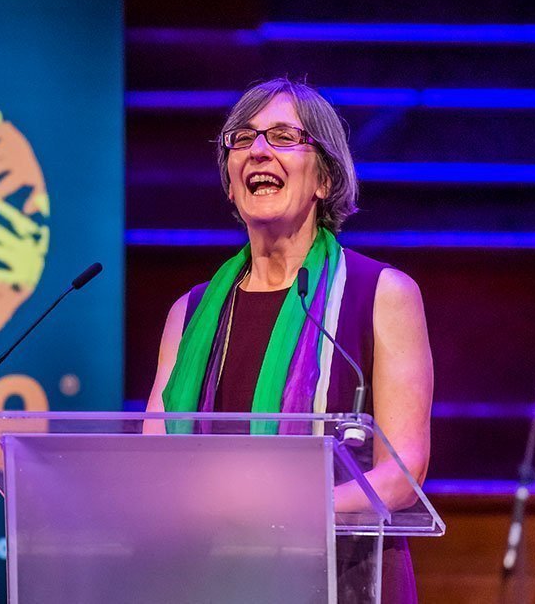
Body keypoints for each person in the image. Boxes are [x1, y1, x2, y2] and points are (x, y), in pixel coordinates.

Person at [145, 77, 433, 603]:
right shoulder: (187, 314)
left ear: (325, 178)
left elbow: (402, 473)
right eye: (243, 138)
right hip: (215, 580)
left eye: (282, 137)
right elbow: (155, 465)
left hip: (347, 580)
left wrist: (286, 509)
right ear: (231, 183)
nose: (257, 151)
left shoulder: (382, 295)